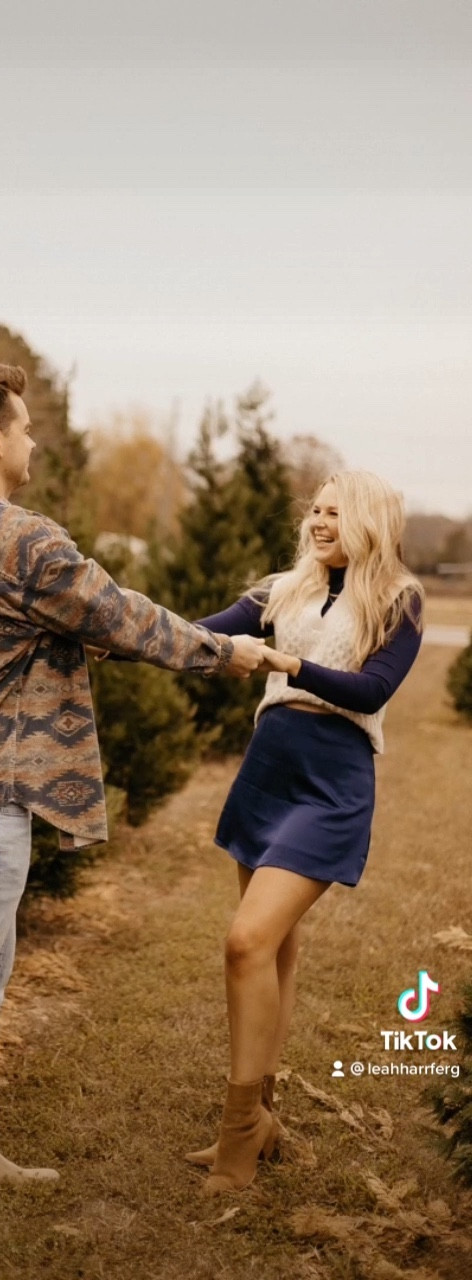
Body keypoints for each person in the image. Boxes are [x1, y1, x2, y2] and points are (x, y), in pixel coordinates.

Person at [0, 361, 266, 1247]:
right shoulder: (23, 541)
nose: (35, 442)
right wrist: (224, 653)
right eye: (28, 427)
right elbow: (119, 615)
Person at [183, 470, 424, 1195]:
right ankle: (260, 1117)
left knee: (245, 941)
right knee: (273, 950)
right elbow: (204, 631)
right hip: (268, 772)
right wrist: (120, 634)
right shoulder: (282, 589)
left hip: (331, 783)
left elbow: (373, 688)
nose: (318, 522)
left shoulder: (399, 598)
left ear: (369, 522)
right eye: (315, 511)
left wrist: (287, 662)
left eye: (334, 513)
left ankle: (238, 1137)